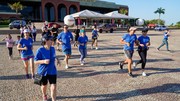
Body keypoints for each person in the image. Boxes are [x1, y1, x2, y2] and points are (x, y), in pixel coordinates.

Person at [34, 34, 59, 101]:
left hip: (52, 71)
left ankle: (54, 99)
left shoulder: (53, 49)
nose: (52, 41)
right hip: (43, 72)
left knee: (53, 87)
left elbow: (54, 56)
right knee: (44, 86)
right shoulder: (40, 50)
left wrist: (57, 60)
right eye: (51, 39)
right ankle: (44, 95)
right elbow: (35, 61)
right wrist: (44, 61)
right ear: (45, 41)